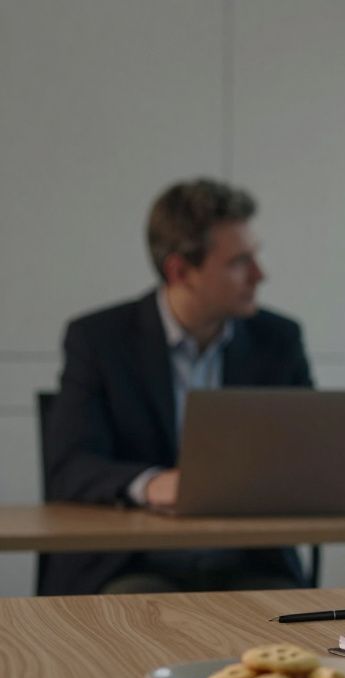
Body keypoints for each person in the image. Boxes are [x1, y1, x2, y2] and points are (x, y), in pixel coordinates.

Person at [43, 178, 311, 595]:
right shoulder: (99, 340)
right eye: (239, 262)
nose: (260, 275)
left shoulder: (278, 339)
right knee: (137, 609)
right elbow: (69, 467)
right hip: (134, 564)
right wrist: (152, 484)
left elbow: (309, 456)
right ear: (180, 271)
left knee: (297, 619)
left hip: (249, 562)